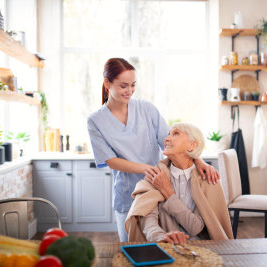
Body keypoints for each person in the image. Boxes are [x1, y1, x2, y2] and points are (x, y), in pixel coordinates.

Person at [87, 58, 219, 242]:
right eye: (124, 86)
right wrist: (145, 168)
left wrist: (199, 160)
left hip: (159, 190)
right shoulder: (95, 120)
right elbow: (110, 160)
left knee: (162, 246)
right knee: (131, 249)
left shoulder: (146, 109)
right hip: (128, 196)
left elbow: (171, 143)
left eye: (133, 85)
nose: (130, 91)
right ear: (107, 83)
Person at [125, 123, 233, 243]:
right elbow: (148, 219)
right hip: (164, 248)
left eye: (175, 133)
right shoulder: (155, 175)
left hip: (201, 249)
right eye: (168, 134)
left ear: (192, 145)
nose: (166, 139)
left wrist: (169, 193)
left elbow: (195, 227)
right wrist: (160, 237)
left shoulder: (207, 179)